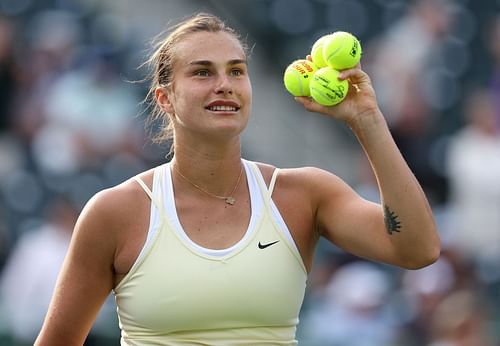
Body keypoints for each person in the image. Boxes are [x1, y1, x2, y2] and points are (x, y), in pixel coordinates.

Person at [35, 13, 440, 346]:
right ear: (165, 97)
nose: (224, 84)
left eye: (236, 71)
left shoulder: (303, 194)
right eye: (202, 73)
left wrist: (367, 120)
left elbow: (418, 249)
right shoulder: (115, 212)